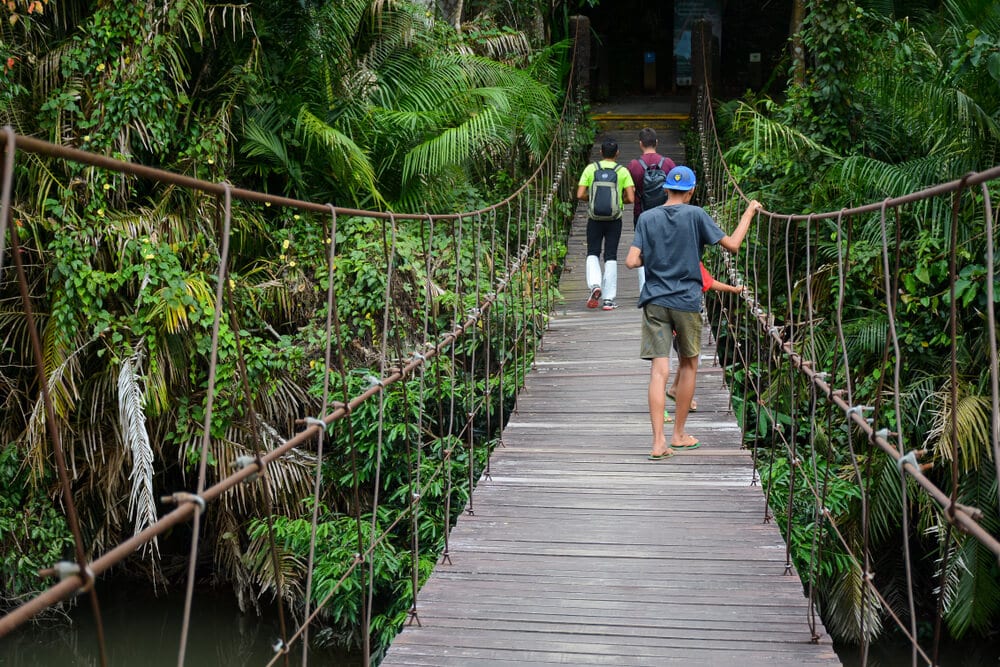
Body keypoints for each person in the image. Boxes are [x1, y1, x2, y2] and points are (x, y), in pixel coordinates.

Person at [625, 165, 761, 460]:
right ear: (691, 191)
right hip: (686, 302)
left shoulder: (647, 218)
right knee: (688, 365)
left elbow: (631, 261)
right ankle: (679, 435)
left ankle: (658, 442)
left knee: (659, 372)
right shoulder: (697, 214)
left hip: (655, 302)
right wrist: (749, 211)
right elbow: (734, 245)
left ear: (665, 190)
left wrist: (656, 257)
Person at [577, 138, 635, 311]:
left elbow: (580, 194)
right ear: (617, 153)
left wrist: (592, 200)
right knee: (611, 255)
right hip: (614, 219)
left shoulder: (591, 169)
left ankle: (595, 285)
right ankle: (608, 300)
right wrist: (619, 201)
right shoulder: (622, 171)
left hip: (594, 219)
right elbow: (631, 198)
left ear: (601, 152)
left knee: (592, 252)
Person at [627, 128, 676, 294]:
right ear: (657, 142)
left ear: (640, 144)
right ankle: (664, 286)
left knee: (642, 249)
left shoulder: (634, 165)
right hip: (666, 213)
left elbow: (629, 192)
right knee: (667, 247)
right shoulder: (668, 163)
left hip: (642, 213)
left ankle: (645, 290)